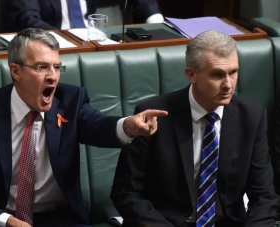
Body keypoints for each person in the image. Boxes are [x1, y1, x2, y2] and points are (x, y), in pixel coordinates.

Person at [0, 27, 167, 227]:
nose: (52, 77)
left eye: (57, 67)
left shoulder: (70, 101)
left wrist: (128, 125)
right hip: (0, 219)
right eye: (42, 67)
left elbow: (98, 125)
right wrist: (6, 220)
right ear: (16, 71)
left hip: (59, 220)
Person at [111, 30, 279, 227]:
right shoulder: (153, 115)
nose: (228, 85)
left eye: (233, 72)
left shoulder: (252, 116)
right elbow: (126, 192)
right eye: (217, 75)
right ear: (192, 75)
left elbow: (264, 197)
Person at [3, 0, 164, 32]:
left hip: (93, 41)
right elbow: (27, 19)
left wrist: (156, 21)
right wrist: (70, 37)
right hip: (53, 46)